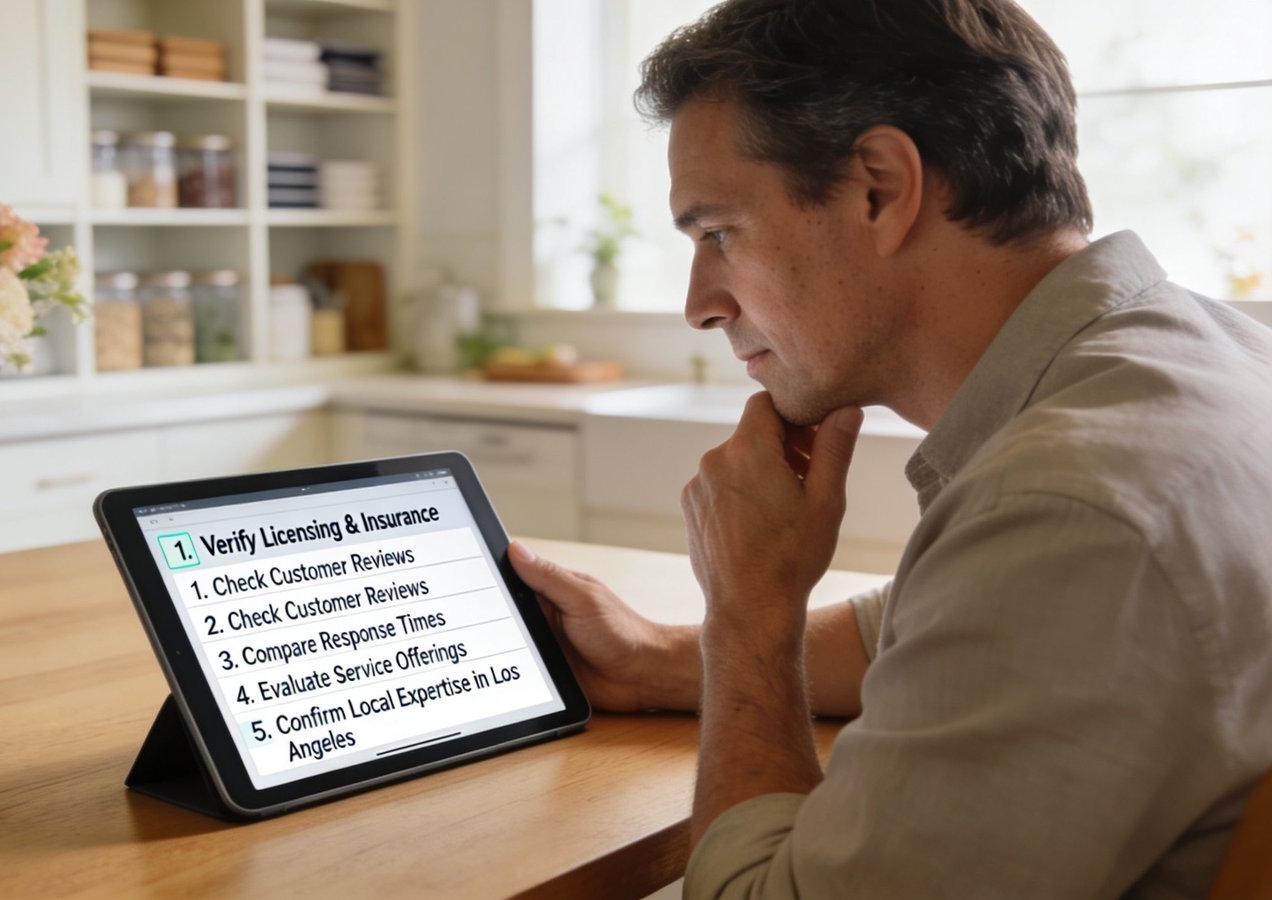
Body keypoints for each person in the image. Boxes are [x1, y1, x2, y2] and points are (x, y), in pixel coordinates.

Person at [506, 0, 1272, 896]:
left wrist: (750, 614)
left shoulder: (1067, 508)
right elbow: (947, 624)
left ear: (880, 186)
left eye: (719, 232)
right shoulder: (1213, 356)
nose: (701, 303)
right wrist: (666, 657)